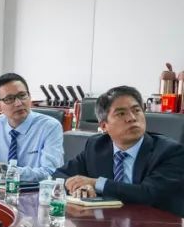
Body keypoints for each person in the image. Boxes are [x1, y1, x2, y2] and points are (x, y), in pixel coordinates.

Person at [55, 85, 184, 216]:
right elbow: (59, 175)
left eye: (137, 110)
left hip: (155, 225)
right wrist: (79, 186)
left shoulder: (169, 151)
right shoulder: (96, 147)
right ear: (104, 126)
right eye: (121, 113)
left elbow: (149, 194)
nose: (132, 118)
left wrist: (96, 183)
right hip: (106, 223)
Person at [0, 73, 64, 182]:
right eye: (9, 99)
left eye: (22, 95)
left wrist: (2, 169)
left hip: (32, 190)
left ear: (30, 96)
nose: (19, 103)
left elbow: (49, 173)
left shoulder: (50, 127)